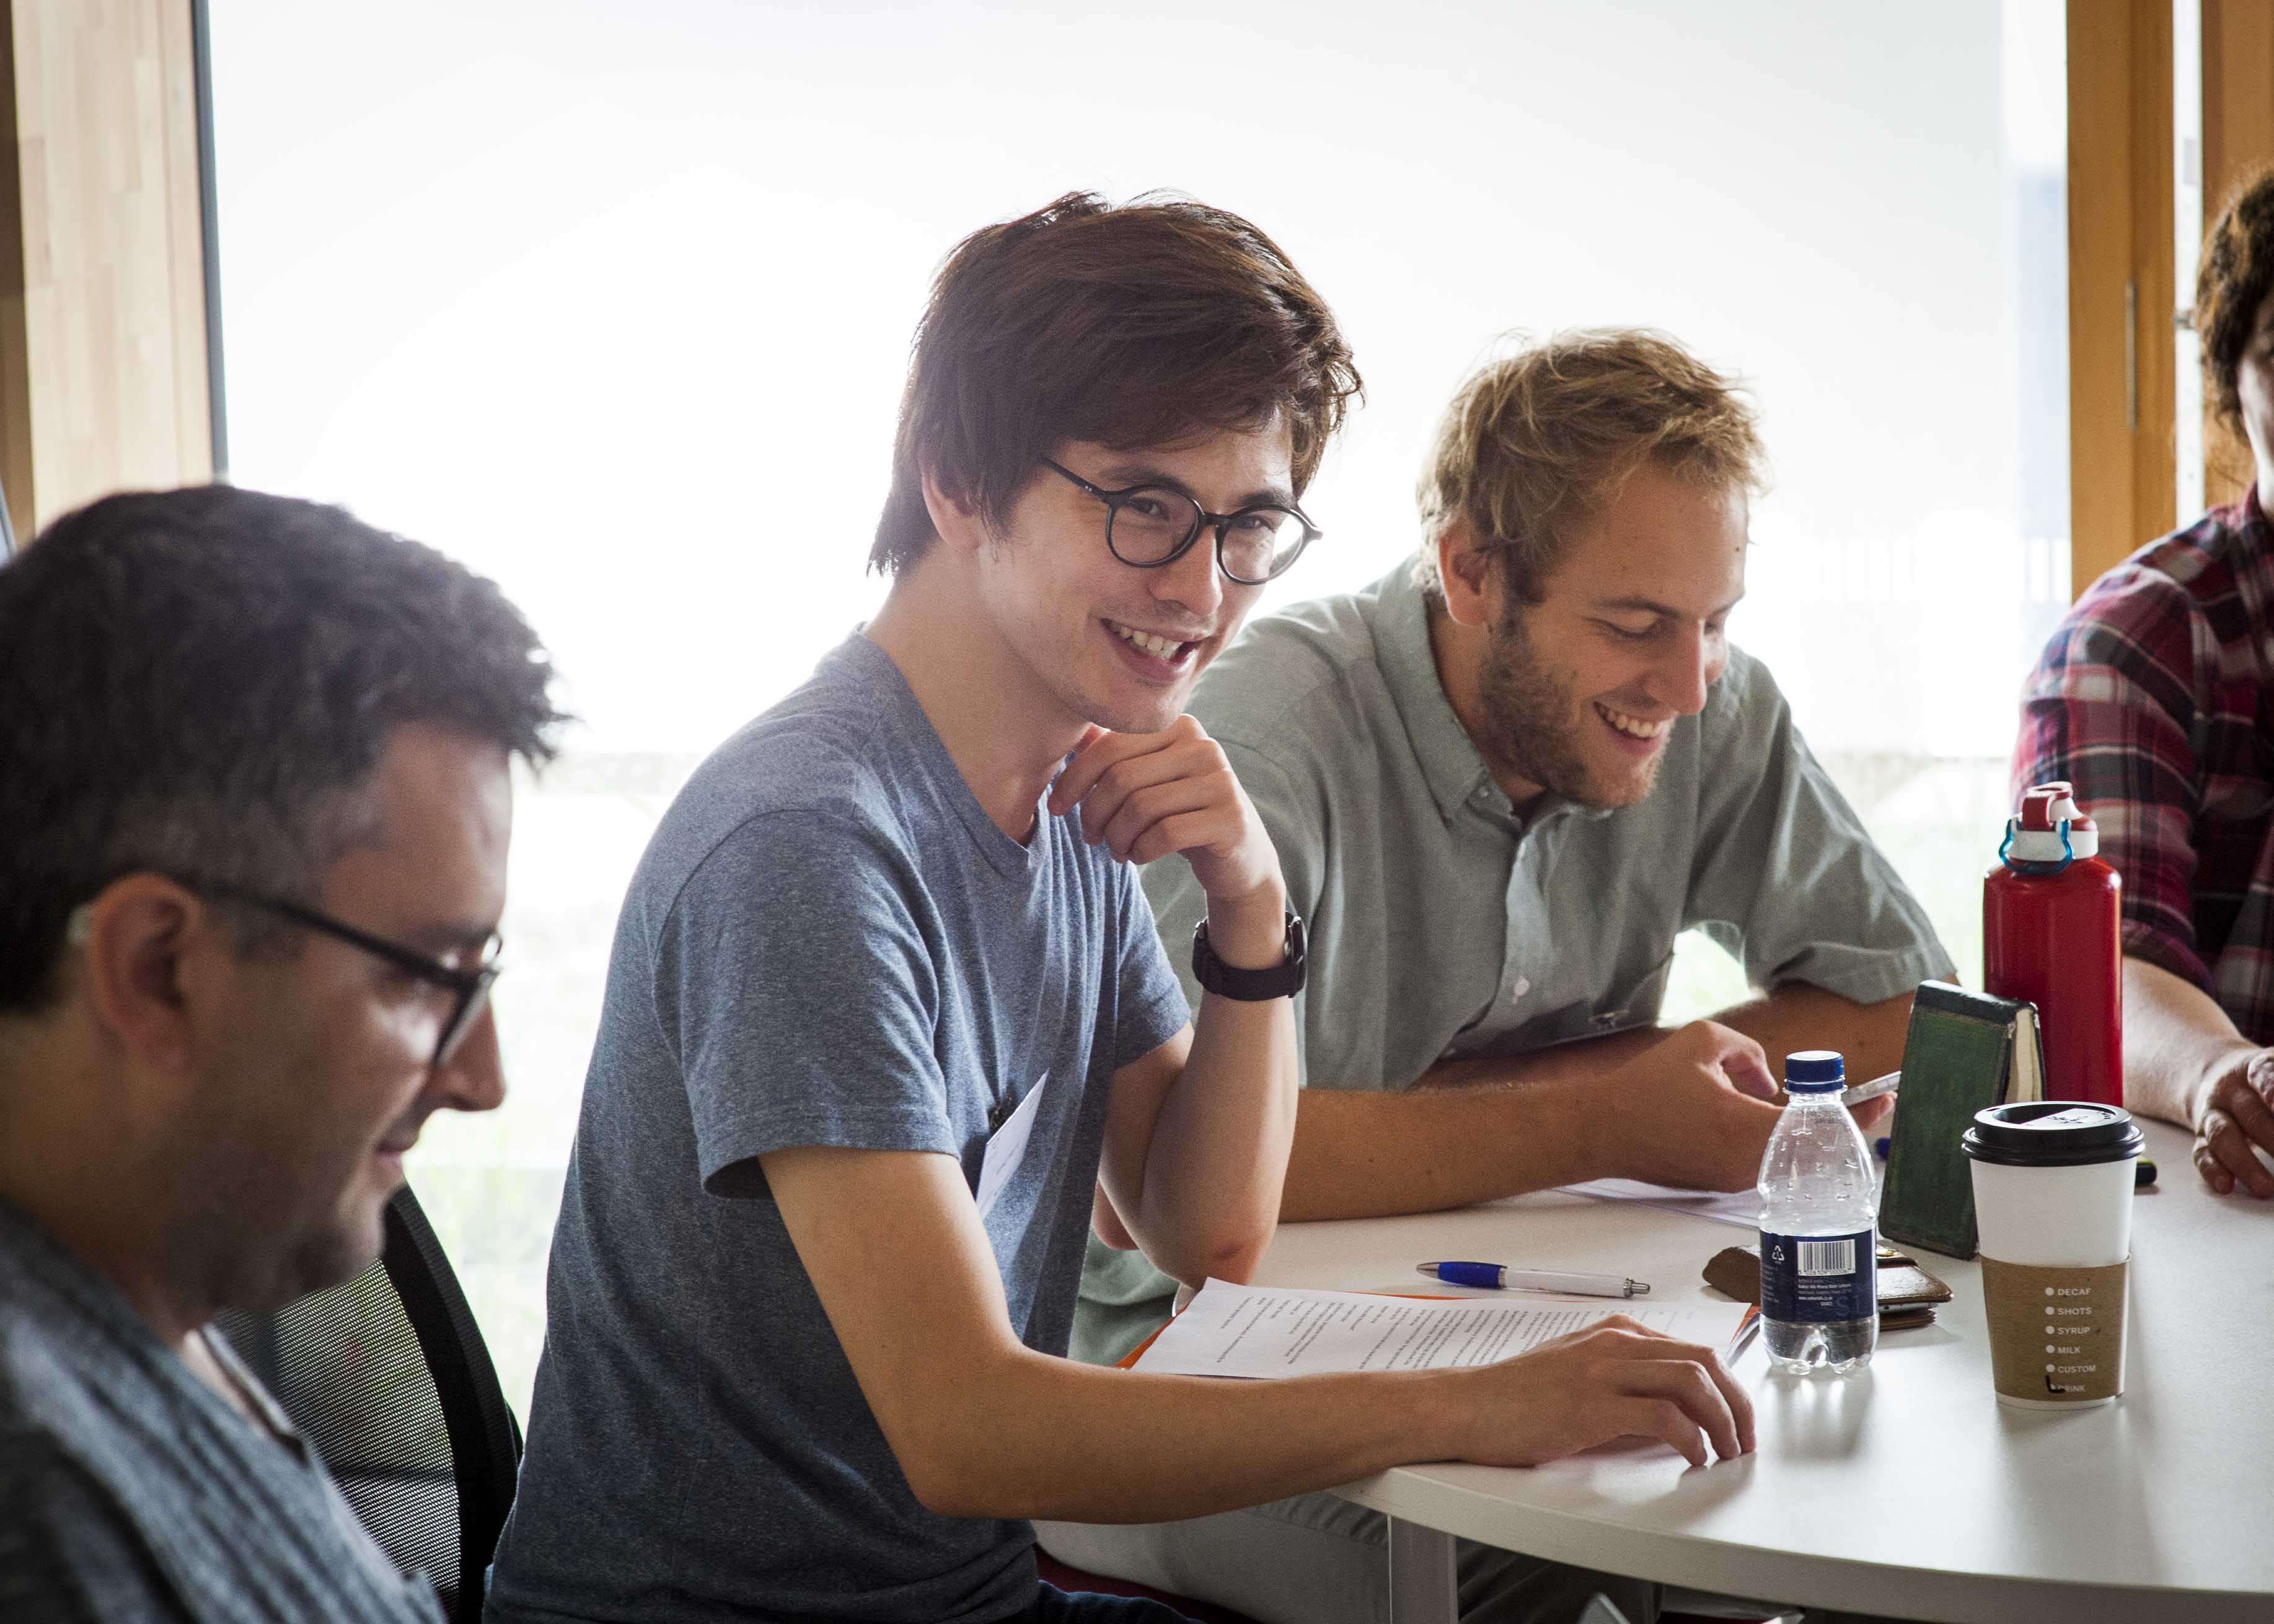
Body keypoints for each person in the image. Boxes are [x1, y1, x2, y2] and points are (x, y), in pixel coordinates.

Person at [486, 196, 1758, 1624]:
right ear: (960, 483)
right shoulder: (809, 844)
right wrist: (1461, 1399)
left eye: (1246, 528)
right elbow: (964, 1427)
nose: (1203, 593)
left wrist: (1247, 904)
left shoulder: (1074, 789)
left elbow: (1201, 1233)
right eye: (1147, 511)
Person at [1052, 330, 1952, 1624]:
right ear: (1471, 572)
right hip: (1175, 1366)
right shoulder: (1266, 740)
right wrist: (1597, 1119)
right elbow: (1156, 1201)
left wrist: (1569, 1094)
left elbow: (1891, 998)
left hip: (1525, 1317)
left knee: (1813, 1520)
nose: (1688, 685)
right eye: (1635, 624)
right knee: (1531, 1589)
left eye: (1714, 624)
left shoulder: (1701, 699)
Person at [0, 486, 563, 1622]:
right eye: (419, 974)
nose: (481, 1076)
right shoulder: (48, 1508)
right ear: (159, 967)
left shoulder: (162, 1313)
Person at [2013, 165, 2274, 1200]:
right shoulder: (2138, 641)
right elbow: (2100, 967)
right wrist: (2221, 1073)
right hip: (2214, 1213)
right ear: (2232, 392)